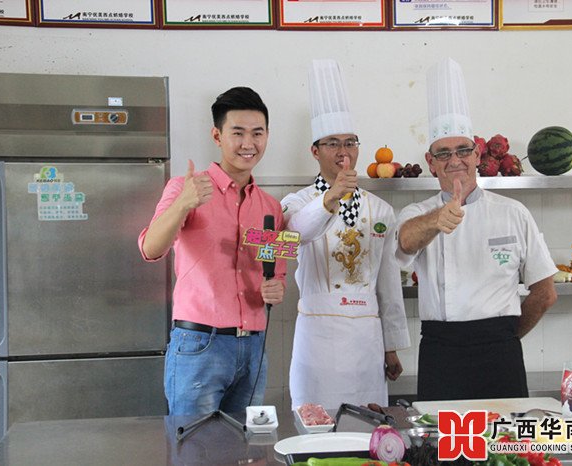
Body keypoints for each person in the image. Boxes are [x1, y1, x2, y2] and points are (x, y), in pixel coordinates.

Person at [396, 58, 557, 401]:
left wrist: (505, 337)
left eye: (463, 150)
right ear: (430, 162)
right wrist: (437, 220)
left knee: (507, 436)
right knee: (440, 435)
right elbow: (405, 241)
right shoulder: (418, 213)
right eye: (443, 154)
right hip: (441, 352)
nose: (454, 160)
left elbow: (545, 293)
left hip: (500, 352)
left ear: (477, 155)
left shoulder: (514, 213)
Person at [138, 87, 286, 415]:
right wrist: (183, 204)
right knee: (194, 442)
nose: (248, 143)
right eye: (238, 132)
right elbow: (150, 249)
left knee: (245, 443)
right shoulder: (185, 188)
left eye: (257, 133)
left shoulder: (270, 207)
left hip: (254, 346)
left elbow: (273, 270)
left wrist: (276, 287)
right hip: (200, 345)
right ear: (217, 136)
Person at [281, 59, 410, 409]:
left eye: (350, 142)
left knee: (367, 428)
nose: (344, 152)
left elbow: (388, 282)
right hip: (317, 341)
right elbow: (295, 234)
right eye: (333, 143)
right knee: (315, 426)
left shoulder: (381, 210)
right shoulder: (297, 201)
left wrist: (391, 345)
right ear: (315, 151)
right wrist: (331, 197)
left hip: (366, 341)